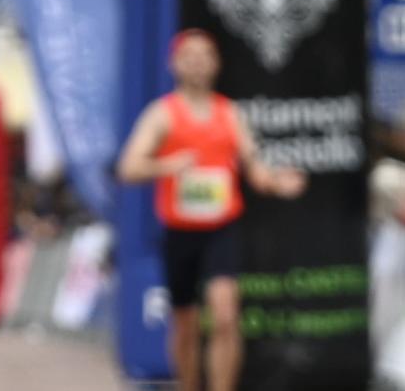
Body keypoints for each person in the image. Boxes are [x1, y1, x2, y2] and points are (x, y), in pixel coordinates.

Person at [115, 29, 306, 391]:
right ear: (175, 63)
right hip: (181, 231)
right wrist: (166, 166)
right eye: (190, 55)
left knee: (224, 316)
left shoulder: (229, 113)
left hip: (222, 228)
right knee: (185, 322)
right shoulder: (162, 114)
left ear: (216, 64)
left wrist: (276, 182)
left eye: (205, 55)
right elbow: (128, 167)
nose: (198, 63)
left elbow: (254, 167)